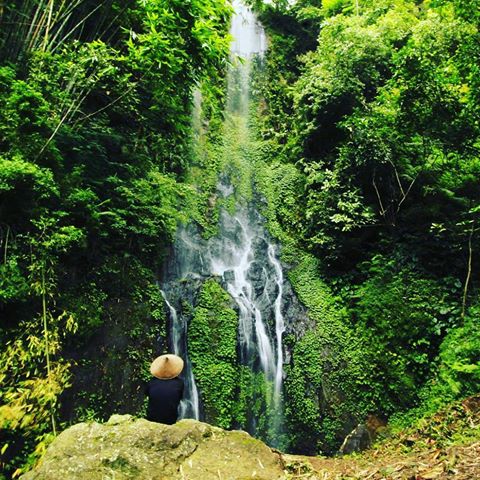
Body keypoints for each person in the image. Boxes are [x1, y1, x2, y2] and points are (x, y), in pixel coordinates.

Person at [145, 353, 184, 425]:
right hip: (170, 419)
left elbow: (147, 394)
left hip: (152, 418)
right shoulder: (179, 383)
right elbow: (180, 397)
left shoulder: (151, 382)